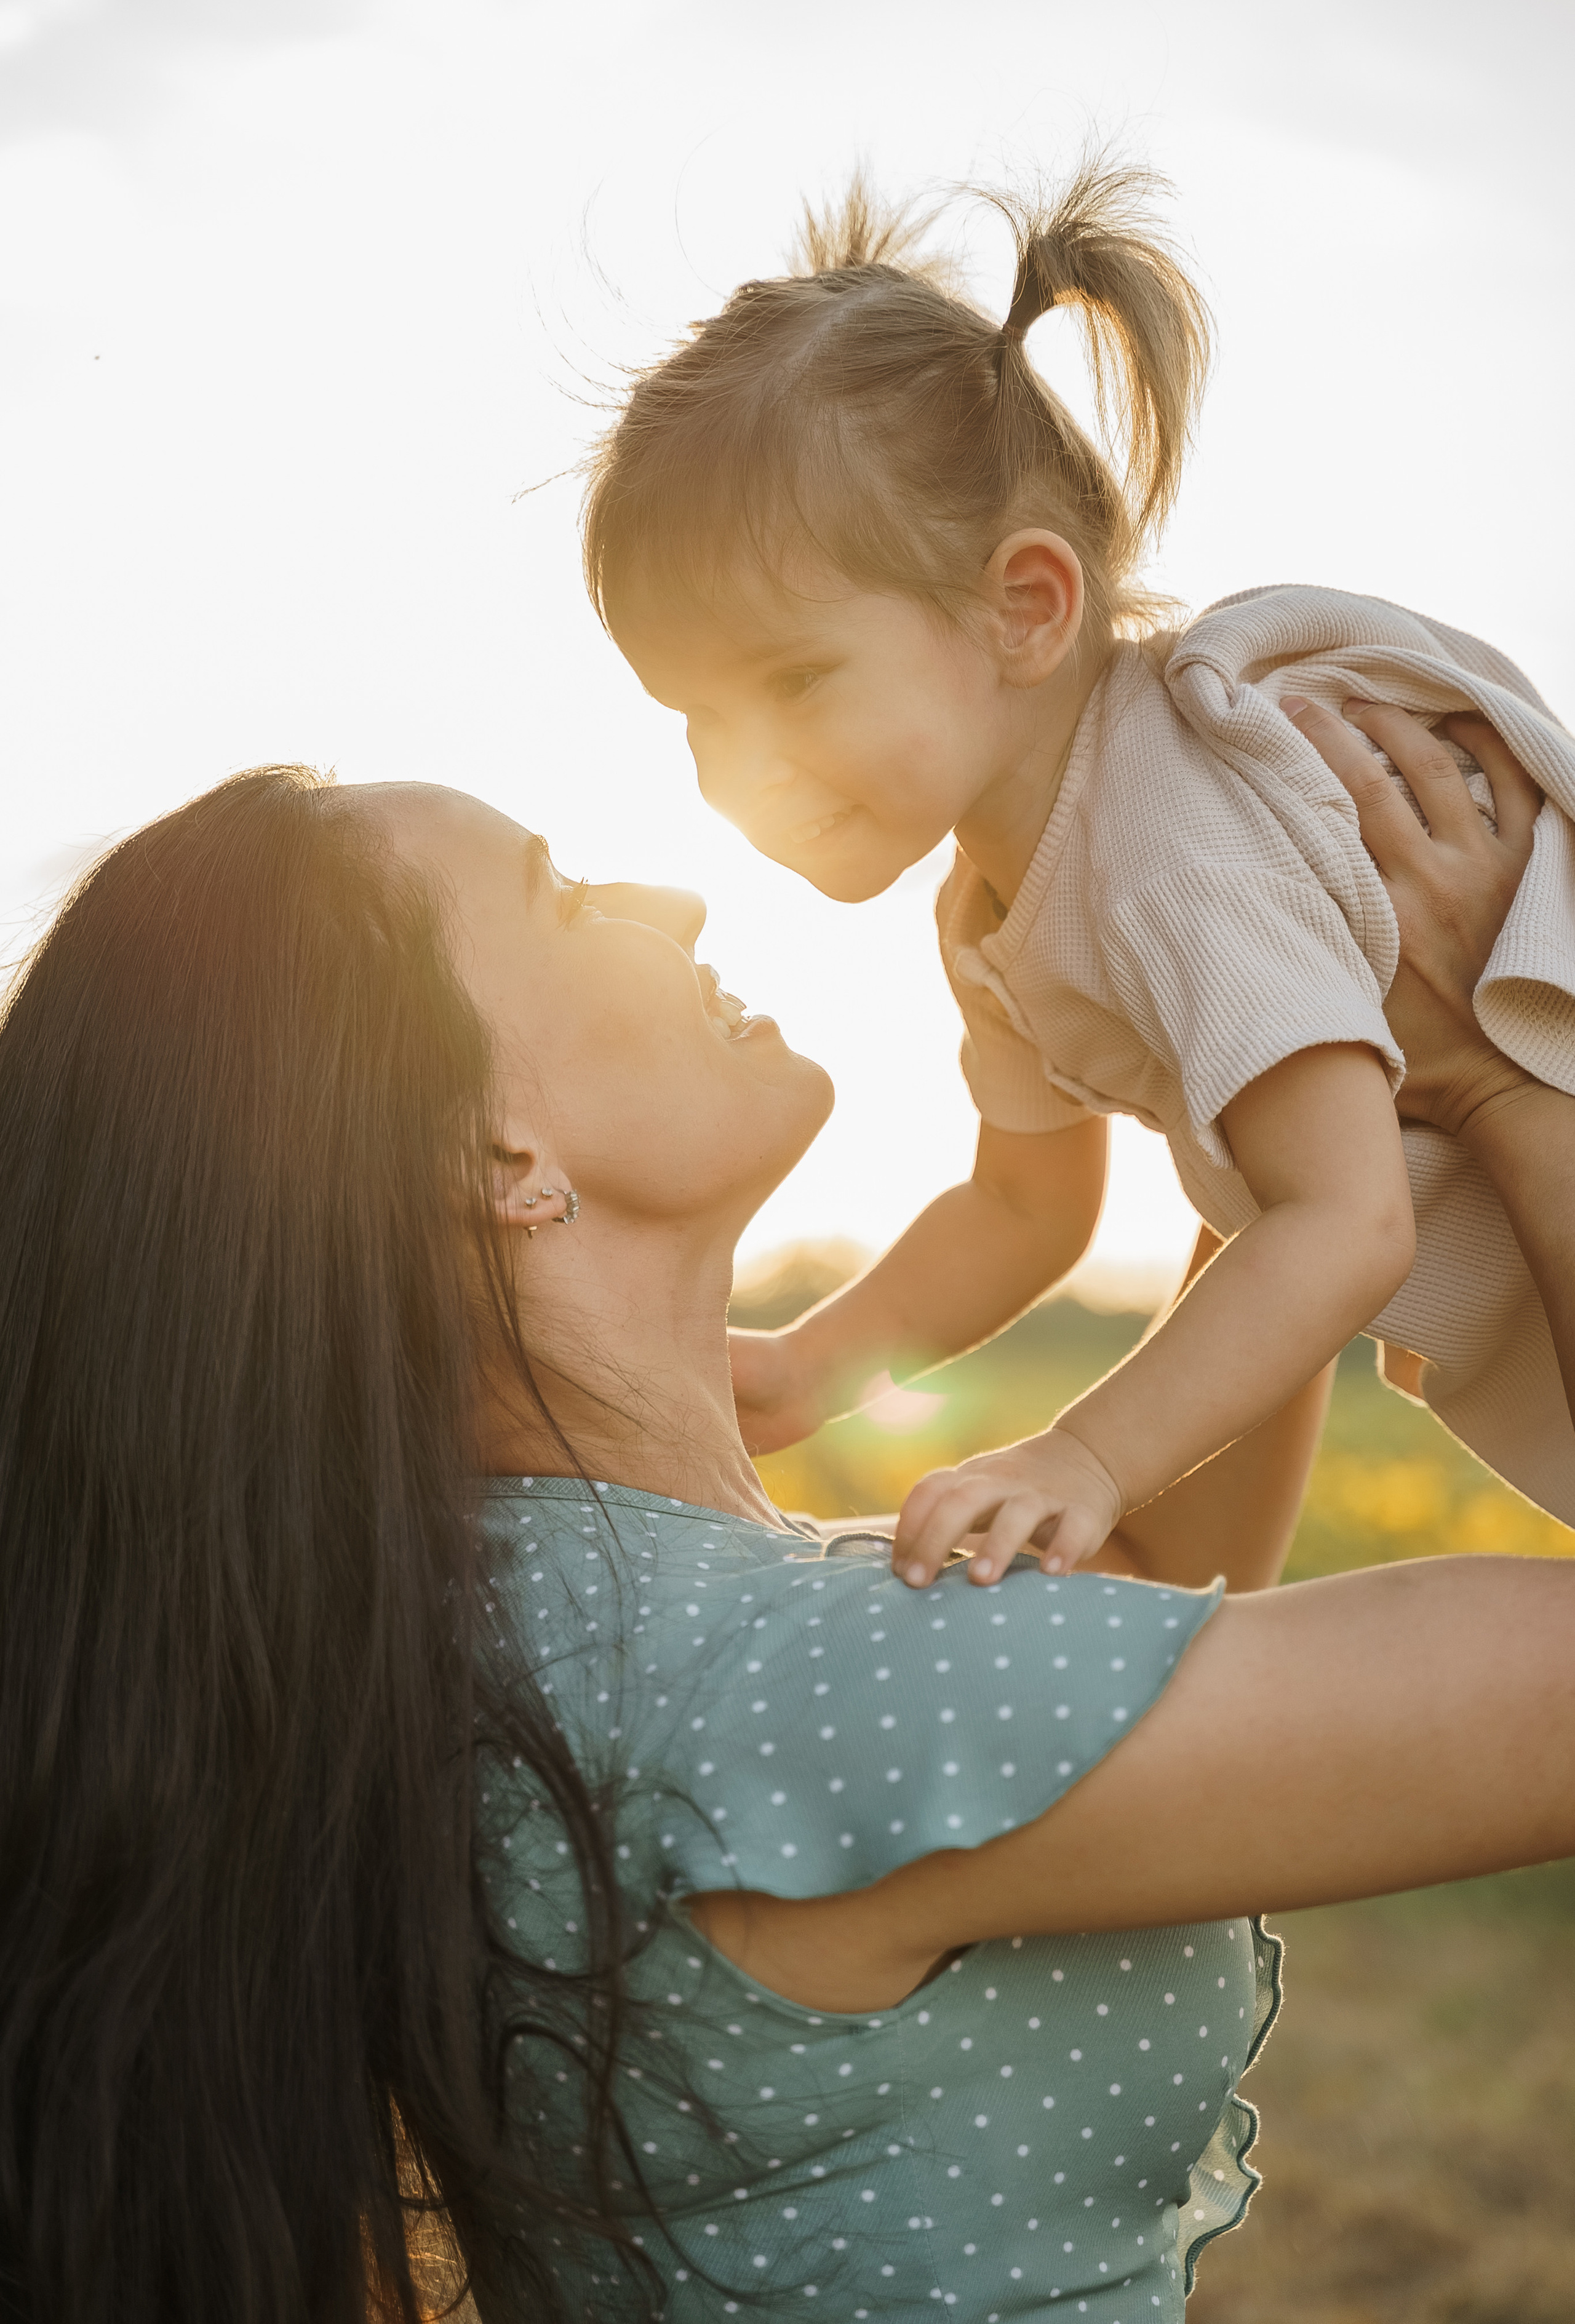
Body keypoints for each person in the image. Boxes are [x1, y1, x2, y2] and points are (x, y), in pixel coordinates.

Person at [3, 742, 1574, 2324]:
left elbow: (1139, 1602)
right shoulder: (774, 1693)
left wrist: (1282, 1072)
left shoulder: (506, 1626)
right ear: (490, 1157)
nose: (671, 894)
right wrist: (1513, 1082)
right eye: (564, 896)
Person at [582, 156, 1575, 1585]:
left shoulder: (1162, 845)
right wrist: (823, 1361)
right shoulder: (999, 902)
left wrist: (1086, 1455)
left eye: (792, 680)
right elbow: (1026, 1207)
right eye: (693, 715)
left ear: (1022, 608)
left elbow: (1345, 1219)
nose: (730, 770)